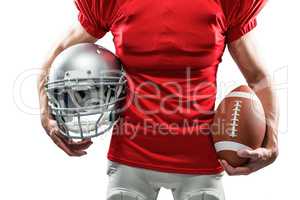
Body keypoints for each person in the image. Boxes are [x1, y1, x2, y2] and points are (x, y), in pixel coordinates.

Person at [37, 0, 279, 199]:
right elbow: (60, 54)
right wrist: (45, 116)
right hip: (130, 159)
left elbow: (258, 77)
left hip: (200, 162)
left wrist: (272, 142)